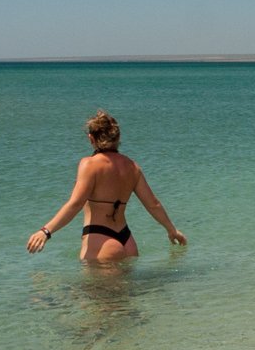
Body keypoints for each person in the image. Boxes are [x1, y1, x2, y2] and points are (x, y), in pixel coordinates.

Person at [26, 111, 186, 263]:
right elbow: (153, 204)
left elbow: (75, 204)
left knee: (94, 292)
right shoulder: (132, 167)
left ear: (91, 138)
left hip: (101, 240)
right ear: (118, 138)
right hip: (128, 242)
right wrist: (172, 230)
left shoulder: (89, 164)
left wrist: (46, 231)